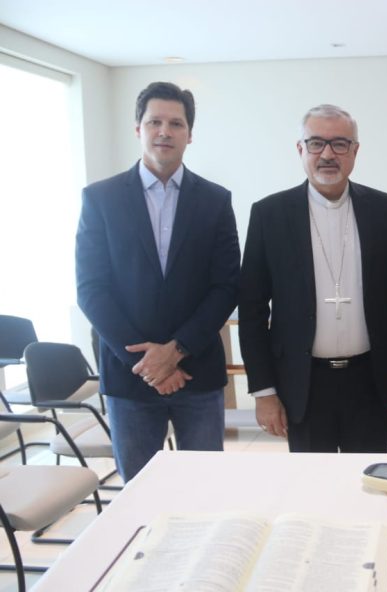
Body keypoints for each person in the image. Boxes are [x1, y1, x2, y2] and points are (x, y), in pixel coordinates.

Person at [76, 81, 240, 482]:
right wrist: (147, 364)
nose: (164, 131)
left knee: (203, 492)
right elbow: (91, 289)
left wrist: (177, 350)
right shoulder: (101, 199)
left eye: (176, 123)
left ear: (189, 134)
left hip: (197, 374)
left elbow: (227, 286)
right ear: (138, 129)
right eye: (155, 122)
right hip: (130, 378)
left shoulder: (216, 200)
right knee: (139, 496)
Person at [238, 104, 387, 452]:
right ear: (300, 149)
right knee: (312, 490)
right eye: (316, 143)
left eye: (339, 144)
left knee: (370, 482)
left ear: (355, 151)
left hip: (370, 379)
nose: (327, 154)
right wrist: (264, 392)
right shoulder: (269, 214)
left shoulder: (382, 209)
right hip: (302, 383)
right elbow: (253, 309)